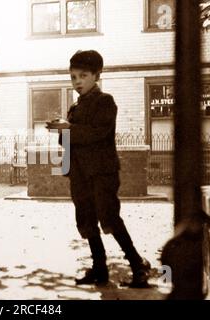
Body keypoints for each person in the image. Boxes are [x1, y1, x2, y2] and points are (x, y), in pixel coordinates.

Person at [47, 50, 151, 287]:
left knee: (109, 217)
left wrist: (68, 128)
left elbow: (98, 133)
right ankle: (99, 268)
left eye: (83, 75)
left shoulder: (105, 101)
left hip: (102, 173)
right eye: (73, 77)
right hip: (80, 174)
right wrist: (61, 130)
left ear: (97, 75)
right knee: (85, 219)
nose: (77, 82)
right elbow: (67, 142)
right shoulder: (74, 107)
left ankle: (138, 265)